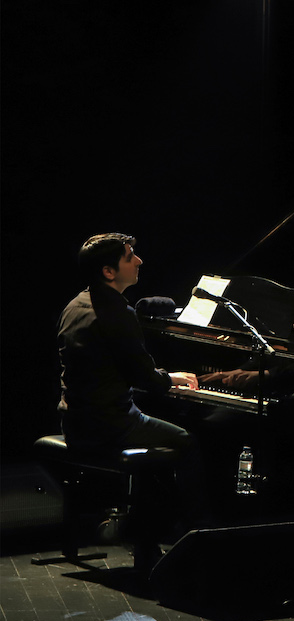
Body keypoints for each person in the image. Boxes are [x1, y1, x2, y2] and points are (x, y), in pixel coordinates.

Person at [57, 232, 206, 568]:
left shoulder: (77, 303)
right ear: (109, 272)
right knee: (187, 443)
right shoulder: (117, 313)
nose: (138, 261)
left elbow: (118, 368)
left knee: (158, 455)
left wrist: (161, 377)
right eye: (129, 257)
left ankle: (148, 535)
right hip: (108, 424)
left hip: (74, 418)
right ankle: (195, 535)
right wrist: (172, 378)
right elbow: (147, 381)